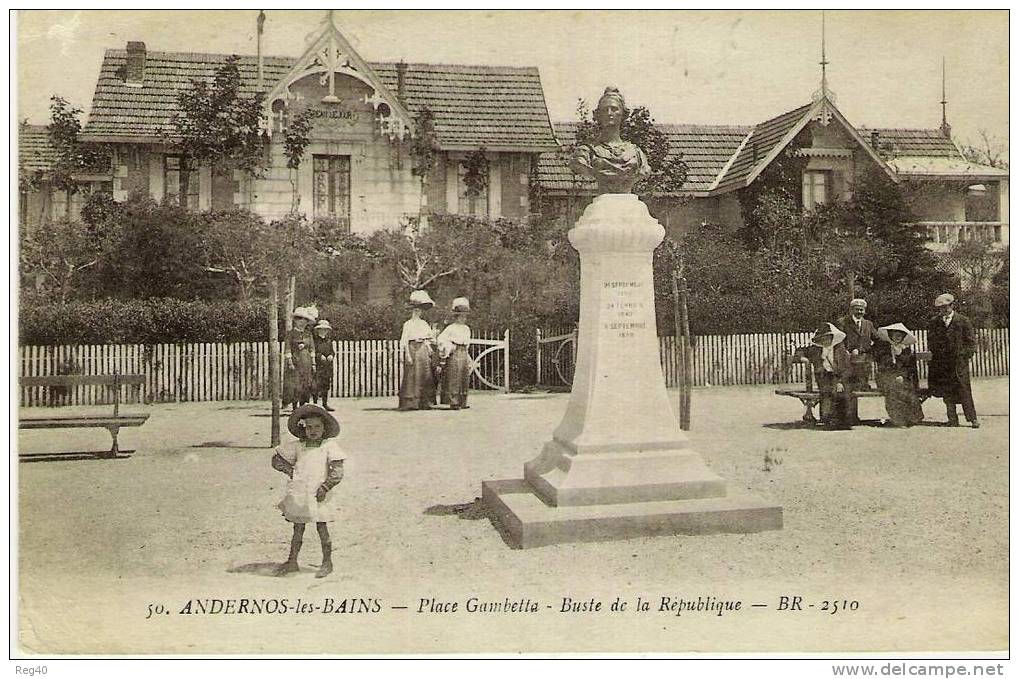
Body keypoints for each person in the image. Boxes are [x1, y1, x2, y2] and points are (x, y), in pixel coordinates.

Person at [271, 404, 344, 578]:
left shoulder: (329, 447)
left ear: (324, 428)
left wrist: (325, 487)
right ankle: (292, 561)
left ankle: (327, 563)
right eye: (309, 427)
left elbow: (338, 472)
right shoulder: (297, 446)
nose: (313, 431)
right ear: (303, 428)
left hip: (320, 494)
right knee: (298, 528)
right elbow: (276, 460)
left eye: (317, 427)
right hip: (301, 493)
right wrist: (291, 472)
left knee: (322, 527)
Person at [569, 87, 651, 194]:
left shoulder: (637, 153)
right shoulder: (585, 152)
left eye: (614, 109)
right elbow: (579, 165)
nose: (609, 113)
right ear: (597, 115)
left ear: (623, 114)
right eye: (605, 110)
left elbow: (644, 171)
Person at [927, 293, 979, 428]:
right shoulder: (934, 322)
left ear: (952, 306)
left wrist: (963, 356)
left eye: (945, 307)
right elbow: (931, 341)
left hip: (959, 363)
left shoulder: (963, 321)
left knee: (964, 390)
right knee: (947, 391)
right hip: (943, 364)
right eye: (940, 308)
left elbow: (971, 343)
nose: (943, 311)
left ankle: (972, 419)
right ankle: (952, 419)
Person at [835, 298, 880, 423]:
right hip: (847, 360)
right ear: (851, 310)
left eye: (862, 310)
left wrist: (872, 349)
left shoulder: (868, 324)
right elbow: (839, 340)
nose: (859, 312)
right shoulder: (843, 322)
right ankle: (849, 417)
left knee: (859, 385)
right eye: (857, 309)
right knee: (848, 387)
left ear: (865, 311)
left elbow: (877, 338)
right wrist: (846, 352)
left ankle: (852, 416)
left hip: (864, 361)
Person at [801, 323, 852, 429]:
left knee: (843, 391)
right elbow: (800, 351)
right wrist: (803, 358)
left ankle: (842, 420)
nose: (825, 341)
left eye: (828, 338)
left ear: (832, 338)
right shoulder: (816, 350)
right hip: (824, 377)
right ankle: (828, 419)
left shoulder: (840, 349)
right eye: (822, 339)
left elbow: (847, 368)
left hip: (839, 377)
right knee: (828, 391)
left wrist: (840, 381)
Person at [873, 323, 924, 427]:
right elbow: (883, 366)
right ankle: (898, 420)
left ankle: (911, 418)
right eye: (895, 335)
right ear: (890, 336)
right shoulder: (885, 350)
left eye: (900, 335)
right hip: (887, 378)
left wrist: (902, 375)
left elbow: (910, 368)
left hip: (904, 378)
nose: (897, 338)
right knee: (893, 391)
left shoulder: (907, 350)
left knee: (908, 392)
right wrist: (894, 375)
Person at [398, 290, 437, 411]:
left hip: (423, 349)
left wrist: (429, 345)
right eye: (415, 310)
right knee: (412, 374)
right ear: (411, 310)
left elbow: (429, 337)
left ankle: (424, 402)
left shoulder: (424, 324)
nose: (417, 312)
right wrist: (407, 355)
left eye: (419, 310)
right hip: (412, 348)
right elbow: (404, 340)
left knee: (424, 374)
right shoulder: (408, 324)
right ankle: (410, 402)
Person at [437, 297, 473, 410]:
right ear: (456, 316)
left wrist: (467, 355)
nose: (463, 318)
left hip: (463, 351)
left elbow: (467, 343)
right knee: (454, 377)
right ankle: (454, 401)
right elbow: (441, 339)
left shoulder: (467, 328)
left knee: (464, 376)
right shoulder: (451, 328)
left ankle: (463, 401)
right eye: (460, 316)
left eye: (464, 316)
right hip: (455, 352)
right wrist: (449, 347)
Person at [282, 307, 316, 411]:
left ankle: (303, 407)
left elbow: (312, 349)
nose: (301, 322)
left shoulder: (308, 334)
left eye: (304, 320)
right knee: (296, 385)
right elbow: (287, 349)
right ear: (295, 320)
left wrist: (313, 364)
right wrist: (290, 362)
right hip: (296, 362)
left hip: (306, 362)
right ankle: (294, 407)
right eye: (299, 319)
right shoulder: (290, 334)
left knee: (306, 384)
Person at [312, 319, 335, 412]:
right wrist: (319, 356)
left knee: (326, 384)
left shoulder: (328, 340)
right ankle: (315, 404)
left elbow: (332, 351)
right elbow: (313, 351)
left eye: (325, 329)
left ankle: (325, 404)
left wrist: (331, 355)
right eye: (321, 329)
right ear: (318, 330)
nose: (323, 331)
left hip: (327, 366)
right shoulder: (314, 340)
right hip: (318, 366)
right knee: (316, 385)